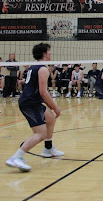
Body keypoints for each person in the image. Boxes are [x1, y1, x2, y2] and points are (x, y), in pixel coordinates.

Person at [5, 43, 63, 172]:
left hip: (32, 101)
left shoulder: (35, 66)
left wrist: (50, 107)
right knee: (40, 133)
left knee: (51, 119)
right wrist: (55, 107)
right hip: (30, 103)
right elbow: (43, 92)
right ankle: (16, 157)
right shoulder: (43, 69)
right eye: (49, 51)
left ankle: (48, 149)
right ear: (44, 53)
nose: (51, 53)